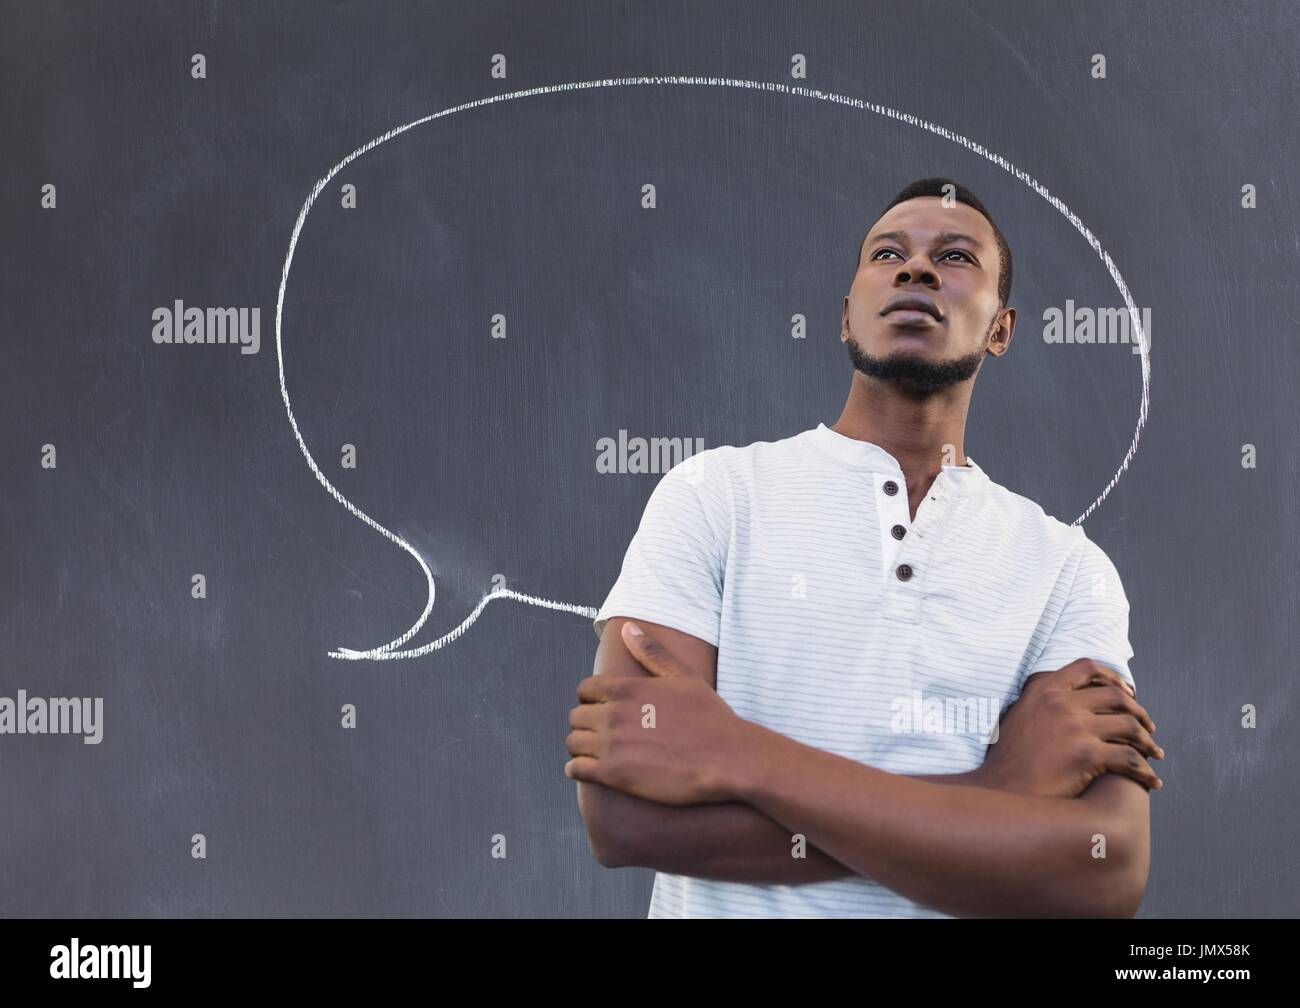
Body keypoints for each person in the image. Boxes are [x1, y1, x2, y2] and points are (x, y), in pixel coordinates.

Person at [566, 177, 1161, 918]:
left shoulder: (1067, 569)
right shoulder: (714, 495)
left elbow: (1103, 871)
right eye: (888, 254)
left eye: (955, 256)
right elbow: (626, 821)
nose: (917, 270)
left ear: (1000, 330)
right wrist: (998, 796)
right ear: (847, 317)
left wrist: (735, 754)